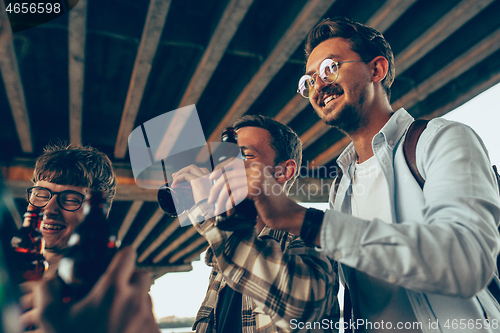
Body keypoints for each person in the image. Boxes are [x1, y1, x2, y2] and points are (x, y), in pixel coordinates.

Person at [207, 18, 500, 333]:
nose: (318, 85)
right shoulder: (341, 186)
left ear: (376, 70)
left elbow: (467, 262)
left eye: (330, 68)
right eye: (309, 81)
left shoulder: (440, 140)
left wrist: (303, 219)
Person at [171, 115, 339, 332]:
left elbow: (301, 306)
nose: (227, 168)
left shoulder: (312, 233)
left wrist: (209, 211)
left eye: (245, 156)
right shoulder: (229, 251)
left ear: (284, 171)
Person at [18, 143, 156, 333]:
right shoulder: (8, 272)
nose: (48, 210)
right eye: (41, 195)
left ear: (98, 214)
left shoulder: (116, 298)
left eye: (70, 199)